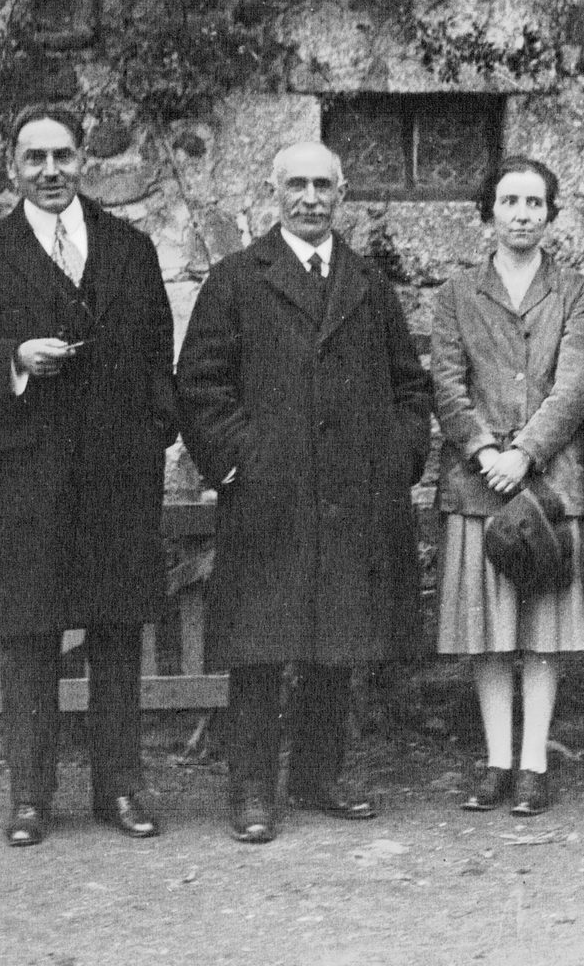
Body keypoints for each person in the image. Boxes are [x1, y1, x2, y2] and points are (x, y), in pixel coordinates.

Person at [178, 141, 432, 843]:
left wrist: (397, 458)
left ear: (342, 193)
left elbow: (410, 386)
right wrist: (241, 463)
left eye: (324, 185)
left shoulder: (367, 283)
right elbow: (200, 385)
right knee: (260, 649)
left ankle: (318, 777)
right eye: (298, 184)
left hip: (352, 496)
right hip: (270, 496)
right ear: (276, 191)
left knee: (335, 644)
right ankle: (252, 791)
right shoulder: (237, 279)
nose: (311, 198)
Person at [0, 106, 176, 847]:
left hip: (119, 471)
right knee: (30, 633)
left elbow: (158, 347)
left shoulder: (129, 246)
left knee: (117, 628)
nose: (50, 171)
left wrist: (156, 434)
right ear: (13, 167)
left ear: (82, 159)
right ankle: (31, 796)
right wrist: (13, 359)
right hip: (31, 472)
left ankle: (119, 787)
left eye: (62, 156)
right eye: (35, 159)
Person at [431, 156, 584, 817]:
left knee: (542, 632)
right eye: (510, 201)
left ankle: (534, 763)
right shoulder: (457, 294)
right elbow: (448, 384)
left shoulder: (576, 291)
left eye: (534, 203)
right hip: (477, 487)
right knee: (488, 630)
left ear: (551, 214)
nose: (522, 214)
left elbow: (573, 386)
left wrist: (526, 453)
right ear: (490, 212)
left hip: (548, 482)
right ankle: (497, 759)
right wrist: (483, 451)